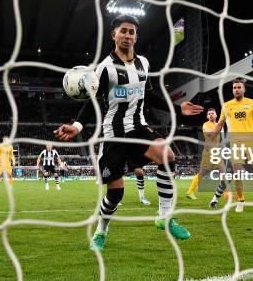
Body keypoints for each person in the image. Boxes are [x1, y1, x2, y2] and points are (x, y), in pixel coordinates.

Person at [54, 14, 204, 251]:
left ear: (136, 36)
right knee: (116, 194)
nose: (127, 35)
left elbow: (151, 95)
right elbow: (91, 102)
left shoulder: (144, 63)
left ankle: (164, 217)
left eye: (132, 31)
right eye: (123, 31)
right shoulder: (104, 69)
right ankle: (101, 231)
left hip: (138, 127)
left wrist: (178, 108)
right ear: (114, 35)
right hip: (113, 134)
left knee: (167, 154)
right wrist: (77, 126)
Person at [210, 78, 253, 213]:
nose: (237, 89)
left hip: (252, 143)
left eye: (239, 87)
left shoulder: (252, 103)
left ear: (244, 89)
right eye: (234, 88)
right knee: (237, 175)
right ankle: (240, 201)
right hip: (236, 145)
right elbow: (219, 125)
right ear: (232, 90)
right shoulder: (226, 106)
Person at [185, 108, 230, 208]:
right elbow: (211, 134)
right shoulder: (206, 124)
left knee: (224, 174)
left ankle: (226, 194)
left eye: (212, 113)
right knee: (202, 173)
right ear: (207, 116)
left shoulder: (219, 126)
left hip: (217, 153)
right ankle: (190, 192)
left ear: (216, 115)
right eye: (209, 114)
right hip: (208, 153)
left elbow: (221, 139)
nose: (210, 115)